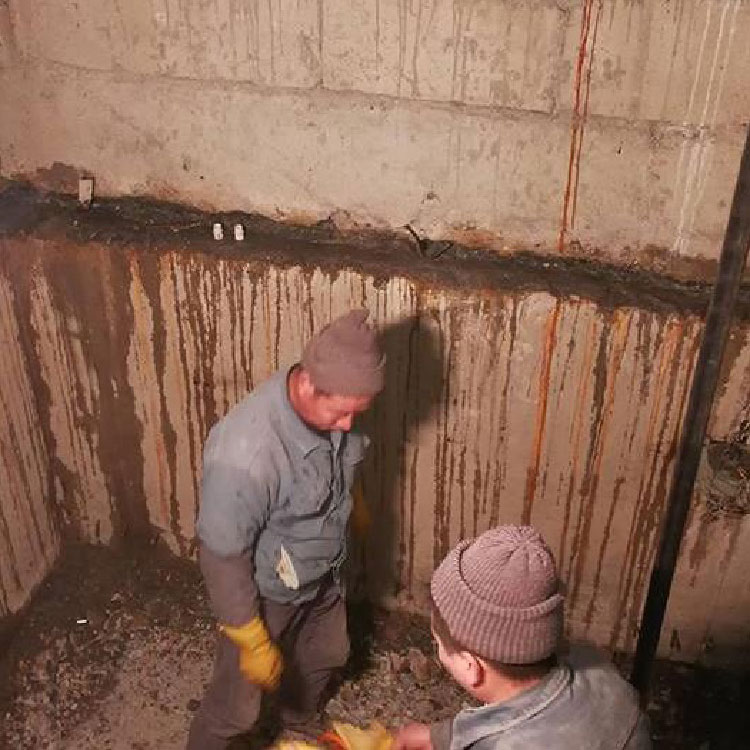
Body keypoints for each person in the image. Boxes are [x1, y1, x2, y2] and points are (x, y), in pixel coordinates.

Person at [187, 309, 385, 750]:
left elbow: (341, 460)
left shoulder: (335, 406)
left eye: (357, 414)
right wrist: (248, 634)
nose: (348, 425)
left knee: (328, 653)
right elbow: (221, 555)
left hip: (322, 572)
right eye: (342, 413)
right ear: (308, 384)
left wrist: (353, 504)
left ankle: (300, 718)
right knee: (234, 708)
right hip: (268, 592)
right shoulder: (247, 452)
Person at [393, 526, 652, 750]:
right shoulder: (597, 668)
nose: (438, 650)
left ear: (470, 666)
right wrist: (440, 737)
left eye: (438, 644)